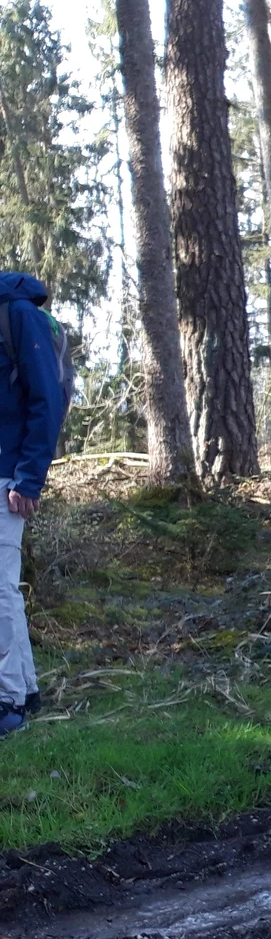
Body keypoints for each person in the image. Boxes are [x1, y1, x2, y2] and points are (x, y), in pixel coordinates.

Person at [0, 274, 67, 738]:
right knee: (3, 589)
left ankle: (8, 702)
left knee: (0, 590)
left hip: (10, 476)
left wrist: (28, 476)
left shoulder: (18, 314)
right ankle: (25, 692)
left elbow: (47, 399)